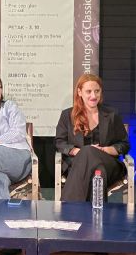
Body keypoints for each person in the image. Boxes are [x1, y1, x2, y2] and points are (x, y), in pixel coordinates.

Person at [55, 73, 129, 201]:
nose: (93, 96)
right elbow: (59, 142)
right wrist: (78, 151)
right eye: (88, 91)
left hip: (108, 163)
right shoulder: (67, 115)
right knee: (97, 171)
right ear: (80, 92)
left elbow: (124, 144)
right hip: (77, 165)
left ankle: (69, 208)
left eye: (97, 91)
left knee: (89, 152)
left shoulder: (112, 114)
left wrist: (104, 150)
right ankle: (97, 211)